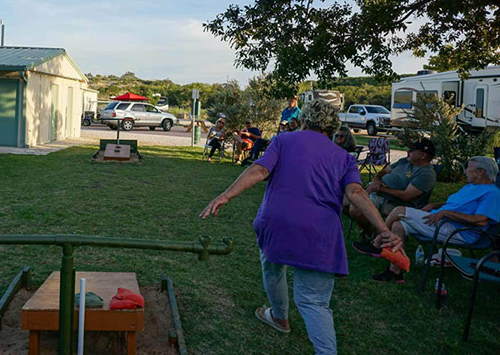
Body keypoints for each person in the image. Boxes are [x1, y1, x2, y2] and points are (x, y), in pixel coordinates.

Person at [200, 100, 401, 355]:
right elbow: (357, 192)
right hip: (320, 232)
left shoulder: (283, 141)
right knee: (313, 301)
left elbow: (259, 170)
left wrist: (225, 196)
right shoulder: (343, 158)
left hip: (277, 223)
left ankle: (280, 317)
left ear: (304, 120)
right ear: (332, 127)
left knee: (272, 267)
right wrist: (383, 229)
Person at [354, 156, 500, 283]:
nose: (465, 171)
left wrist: (446, 213)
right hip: (440, 222)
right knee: (398, 225)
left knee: (399, 211)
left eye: (468, 168)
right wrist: (434, 205)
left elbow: (482, 220)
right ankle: (395, 271)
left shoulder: (492, 193)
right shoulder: (471, 187)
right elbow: (455, 205)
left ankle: (376, 242)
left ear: (481, 171)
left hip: (458, 231)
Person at [345, 139, 436, 240]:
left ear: (422, 155)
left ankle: (371, 234)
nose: (408, 151)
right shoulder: (404, 161)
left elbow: (406, 196)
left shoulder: (426, 174)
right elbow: (384, 171)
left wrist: (380, 189)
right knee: (341, 201)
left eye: (412, 150)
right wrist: (376, 180)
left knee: (355, 209)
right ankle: (370, 228)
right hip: (377, 194)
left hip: (393, 203)